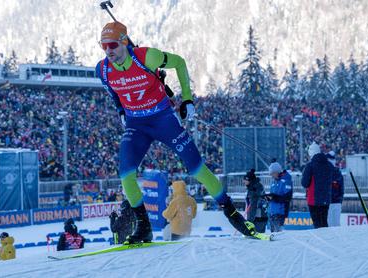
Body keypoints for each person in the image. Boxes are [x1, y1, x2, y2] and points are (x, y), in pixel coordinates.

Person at [96, 21, 258, 244]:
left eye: (112, 45)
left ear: (124, 41)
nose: (108, 51)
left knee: (197, 168)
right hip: (136, 124)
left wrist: (188, 99)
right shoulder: (102, 69)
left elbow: (180, 63)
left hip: (163, 119)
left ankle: (233, 215)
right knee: (126, 175)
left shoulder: (147, 57)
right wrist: (121, 111)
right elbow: (114, 92)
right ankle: (143, 227)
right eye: (103, 46)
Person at [301, 142, 334, 229]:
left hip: (313, 199)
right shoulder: (328, 165)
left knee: (317, 224)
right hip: (326, 199)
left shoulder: (310, 166)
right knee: (324, 222)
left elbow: (304, 183)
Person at [266, 162, 293, 233]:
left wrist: (274, 197)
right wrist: (268, 197)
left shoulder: (286, 181)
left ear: (277, 172)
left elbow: (287, 198)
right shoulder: (274, 182)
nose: (271, 176)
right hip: (272, 211)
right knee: (273, 233)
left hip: (280, 212)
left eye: (272, 173)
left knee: (278, 234)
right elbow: (273, 195)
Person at [243, 169, 268, 233]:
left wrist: (249, 221)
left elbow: (253, 206)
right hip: (257, 218)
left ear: (249, 180)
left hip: (258, 218)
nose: (243, 181)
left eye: (245, 180)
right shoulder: (251, 188)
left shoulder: (255, 189)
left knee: (256, 239)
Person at [326, 151, 344, 226]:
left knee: (330, 224)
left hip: (330, 202)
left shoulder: (327, 172)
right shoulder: (338, 172)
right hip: (336, 201)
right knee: (335, 224)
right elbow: (341, 189)